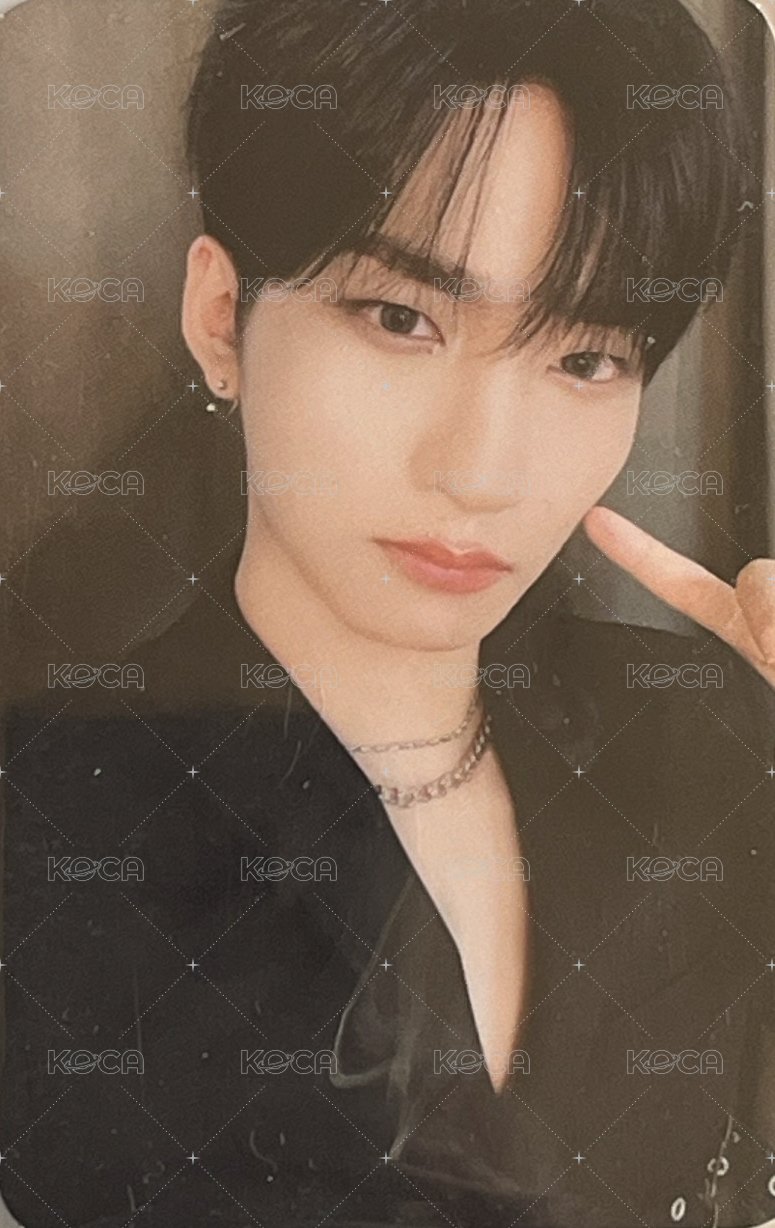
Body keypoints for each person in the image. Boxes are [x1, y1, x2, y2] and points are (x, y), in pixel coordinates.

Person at [2, 0, 775, 1225]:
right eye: (401, 318)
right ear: (222, 318)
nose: (483, 470)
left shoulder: (712, 744)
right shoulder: (45, 825)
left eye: (585, 358)